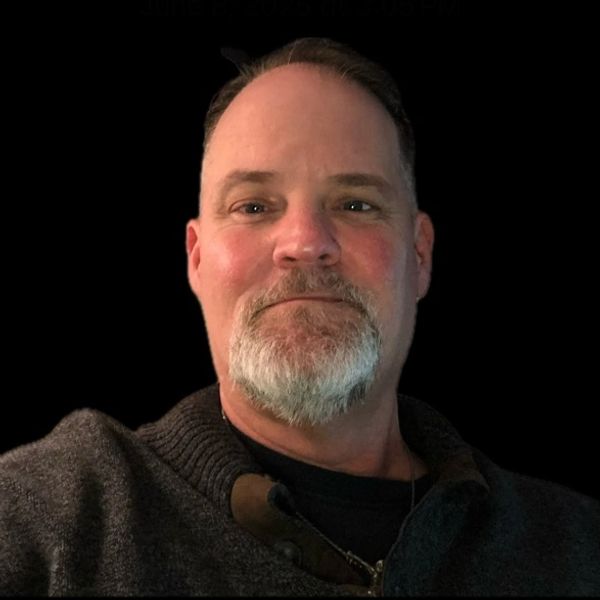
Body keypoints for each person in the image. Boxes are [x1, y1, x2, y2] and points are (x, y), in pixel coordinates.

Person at [1, 37, 598, 597]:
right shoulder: (46, 517)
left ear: (420, 256)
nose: (306, 242)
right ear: (197, 259)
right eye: (253, 206)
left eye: (356, 204)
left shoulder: (577, 547)